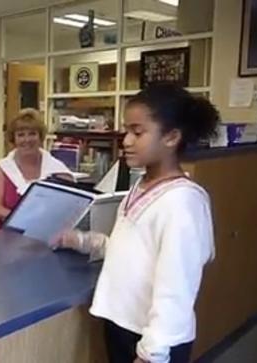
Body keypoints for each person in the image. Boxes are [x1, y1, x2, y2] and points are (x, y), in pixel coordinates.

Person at [51, 84, 219, 363]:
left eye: (137, 132)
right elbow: (131, 252)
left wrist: (153, 351)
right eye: (126, 131)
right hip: (123, 324)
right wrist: (82, 241)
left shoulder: (182, 203)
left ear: (171, 137)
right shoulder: (141, 186)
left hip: (154, 342)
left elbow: (176, 288)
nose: (126, 140)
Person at [0, 108, 72, 226]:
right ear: (14, 139)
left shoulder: (58, 170)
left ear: (40, 137)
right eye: (21, 135)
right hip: (8, 234)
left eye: (32, 134)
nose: (27, 140)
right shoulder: (2, 168)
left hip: (46, 233)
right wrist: (26, 219)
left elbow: (67, 209)